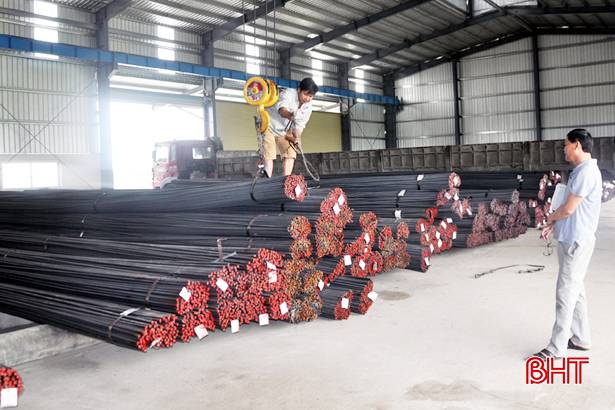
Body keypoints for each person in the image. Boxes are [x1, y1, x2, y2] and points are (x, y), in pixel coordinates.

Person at [532, 129, 602, 359]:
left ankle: (556, 348)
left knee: (565, 294)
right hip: (571, 238)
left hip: (576, 242)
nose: (564, 149)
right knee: (576, 289)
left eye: (566, 144)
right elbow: (570, 208)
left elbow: (569, 209)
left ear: (577, 145)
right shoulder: (581, 171)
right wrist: (554, 224)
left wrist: (550, 218)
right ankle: (581, 338)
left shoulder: (586, 173)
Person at [262, 77, 318, 177]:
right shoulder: (288, 94)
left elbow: (299, 126)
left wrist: (297, 138)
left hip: (284, 130)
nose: (307, 98)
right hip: (269, 124)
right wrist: (290, 115)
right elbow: (281, 110)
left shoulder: (308, 107)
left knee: (290, 153)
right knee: (269, 153)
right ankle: (267, 179)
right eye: (305, 94)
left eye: (310, 96)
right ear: (299, 90)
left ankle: (286, 180)